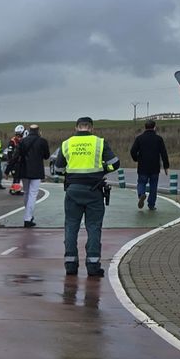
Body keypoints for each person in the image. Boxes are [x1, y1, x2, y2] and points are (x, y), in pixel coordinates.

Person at [50, 116, 120, 278]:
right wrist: (103, 169)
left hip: (73, 190)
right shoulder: (99, 142)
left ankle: (71, 264)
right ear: (91, 128)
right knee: (94, 227)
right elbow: (115, 163)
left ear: (76, 128)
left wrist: (71, 171)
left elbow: (59, 169)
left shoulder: (67, 143)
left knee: (71, 226)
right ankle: (93, 265)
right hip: (94, 191)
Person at [128, 118, 170, 211]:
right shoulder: (159, 139)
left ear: (145, 127)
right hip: (155, 167)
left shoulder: (139, 138)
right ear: (154, 127)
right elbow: (164, 153)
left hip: (143, 166)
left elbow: (133, 151)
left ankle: (141, 194)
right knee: (153, 186)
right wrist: (166, 166)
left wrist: (136, 159)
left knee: (141, 182)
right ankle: (151, 205)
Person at [14, 123, 51, 227]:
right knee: (33, 194)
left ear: (29, 131)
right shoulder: (42, 141)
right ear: (38, 131)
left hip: (24, 170)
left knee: (26, 193)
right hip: (36, 171)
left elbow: (16, 156)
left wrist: (8, 170)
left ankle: (28, 215)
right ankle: (27, 218)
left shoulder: (22, 141)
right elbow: (46, 156)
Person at [6, 124, 25, 194]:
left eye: (20, 135)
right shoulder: (12, 141)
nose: (19, 137)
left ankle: (15, 189)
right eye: (18, 135)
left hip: (19, 162)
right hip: (14, 162)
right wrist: (10, 163)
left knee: (17, 177)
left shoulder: (22, 140)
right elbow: (10, 153)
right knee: (16, 177)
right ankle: (14, 190)